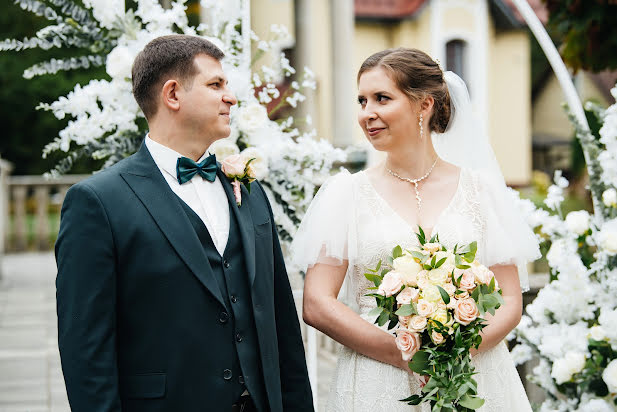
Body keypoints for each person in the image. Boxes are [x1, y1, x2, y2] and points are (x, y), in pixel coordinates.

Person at [55, 34, 313, 412]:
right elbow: (85, 351)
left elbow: (282, 325)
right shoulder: (98, 202)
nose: (231, 97)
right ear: (172, 94)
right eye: (216, 85)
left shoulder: (248, 189)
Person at [292, 48, 540, 411]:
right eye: (362, 101)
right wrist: (401, 354)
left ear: (424, 105)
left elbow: (510, 299)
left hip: (471, 375)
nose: (367, 113)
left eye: (382, 98)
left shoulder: (481, 190)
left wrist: (456, 353)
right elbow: (316, 303)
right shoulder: (346, 194)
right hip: (378, 378)